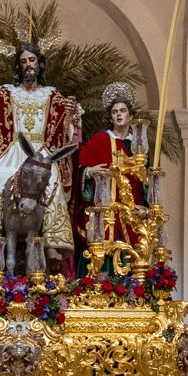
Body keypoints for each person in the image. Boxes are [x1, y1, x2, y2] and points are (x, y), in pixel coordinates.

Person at [0, 44, 82, 267]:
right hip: (15, 149)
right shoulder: (6, 92)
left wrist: (73, 117)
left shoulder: (52, 95)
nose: (28, 66)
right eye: (23, 62)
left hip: (42, 152)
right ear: (18, 67)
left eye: (32, 60)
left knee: (53, 183)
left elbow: (66, 128)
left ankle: (53, 242)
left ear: (39, 64)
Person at [76, 82, 147, 262]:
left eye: (122, 111)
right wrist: (89, 171)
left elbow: (144, 177)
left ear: (130, 116)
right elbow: (79, 164)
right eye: (115, 112)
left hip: (130, 206)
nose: (118, 115)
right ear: (110, 117)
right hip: (104, 208)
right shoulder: (100, 140)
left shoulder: (137, 146)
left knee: (131, 250)